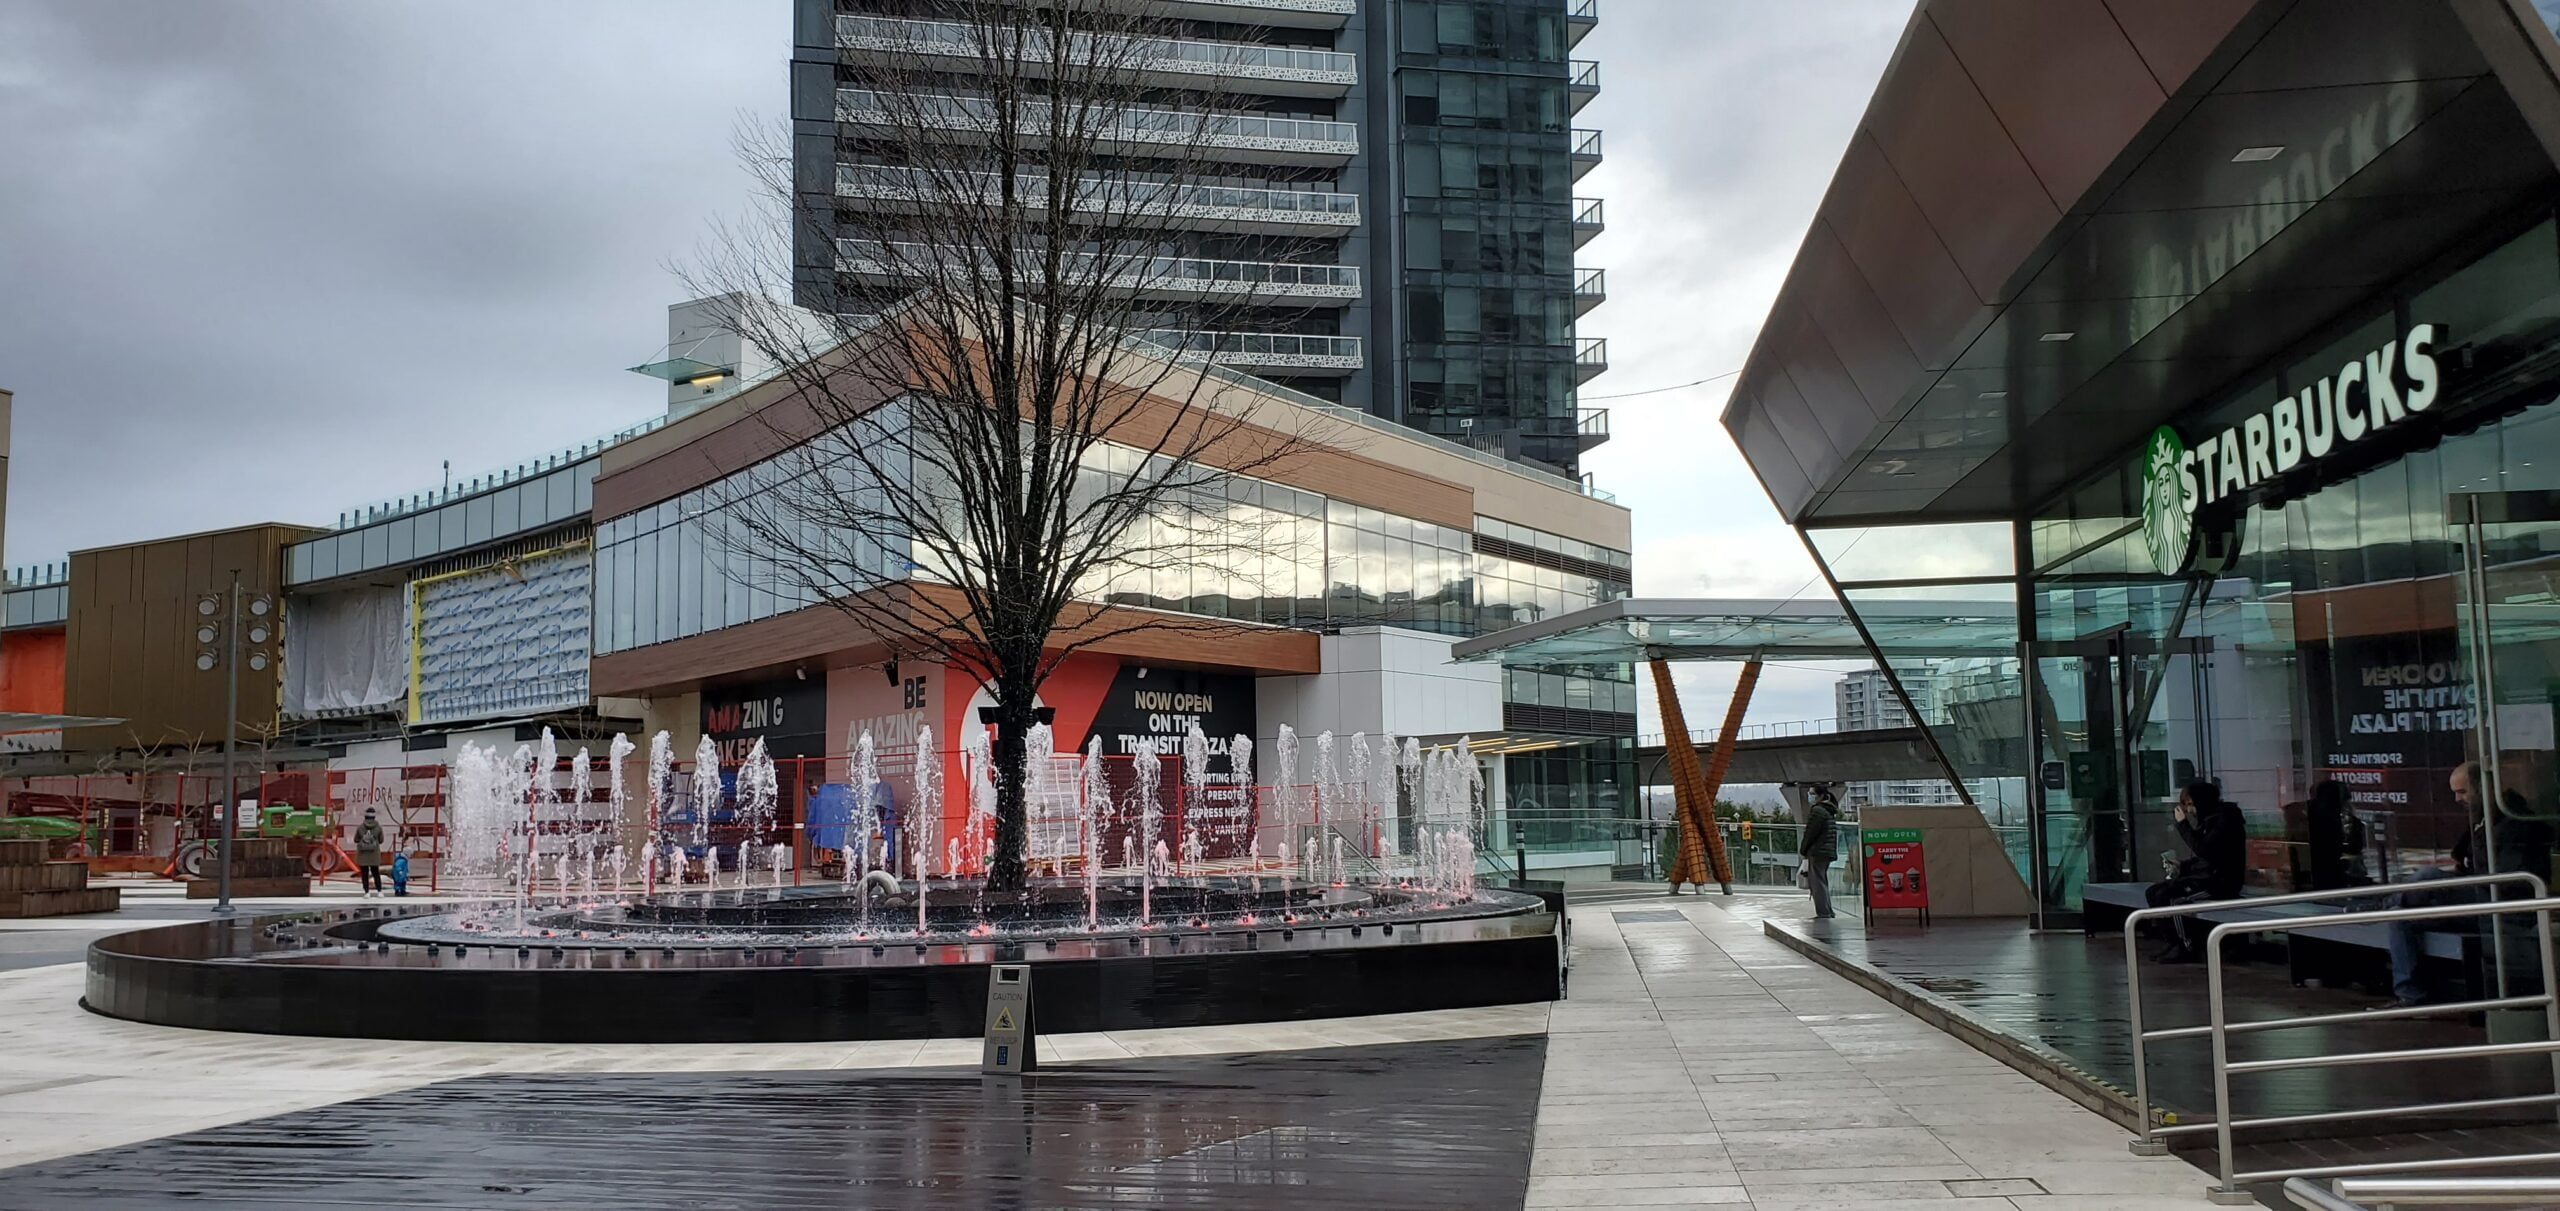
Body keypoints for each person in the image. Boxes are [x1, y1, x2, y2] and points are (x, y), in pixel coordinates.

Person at [2384, 762, 2553, 1008]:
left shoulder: (2516, 823)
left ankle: (2381, 903)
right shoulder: (2482, 819)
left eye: (2462, 792)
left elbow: (2510, 880)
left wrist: (2456, 882)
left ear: (2481, 788)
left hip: (2502, 903)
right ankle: (2410, 995)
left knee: (2426, 878)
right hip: (2480, 895)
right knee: (2399, 916)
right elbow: (2464, 860)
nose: (2457, 799)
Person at [2145, 781, 2246, 962]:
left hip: (2220, 882)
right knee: (2153, 892)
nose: (2190, 810)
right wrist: (2183, 866)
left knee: (2172, 899)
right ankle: (2173, 941)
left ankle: (2186, 945)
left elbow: (2204, 849)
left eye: (2191, 804)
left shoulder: (2225, 820)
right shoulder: (2208, 820)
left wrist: (2183, 825)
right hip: (2205, 876)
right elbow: (2206, 856)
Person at [1800, 787, 1840, 919]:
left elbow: (1810, 832)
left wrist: (1803, 849)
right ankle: (1828, 911)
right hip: (1826, 851)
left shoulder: (1818, 811)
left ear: (1820, 795)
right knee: (1822, 881)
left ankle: (1823, 913)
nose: (1810, 796)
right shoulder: (1828, 810)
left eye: (1812, 793)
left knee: (1817, 883)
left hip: (1818, 851)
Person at [353, 809, 385, 898]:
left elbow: (356, 839)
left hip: (363, 854)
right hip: (374, 854)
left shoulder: (360, 827)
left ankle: (366, 892)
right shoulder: (378, 827)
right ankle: (379, 891)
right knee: (376, 873)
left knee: (365, 874)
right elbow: (381, 840)